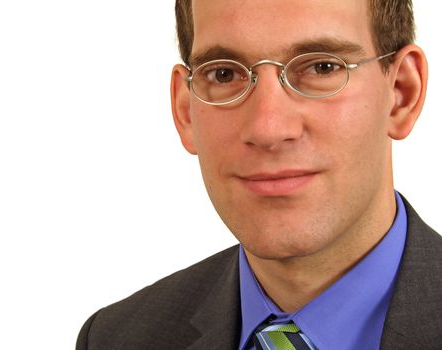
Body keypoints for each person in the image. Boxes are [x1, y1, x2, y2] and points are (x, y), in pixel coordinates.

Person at [77, 0, 442, 349]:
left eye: (322, 68)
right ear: (185, 110)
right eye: (224, 74)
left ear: (401, 93)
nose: (267, 127)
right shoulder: (117, 338)